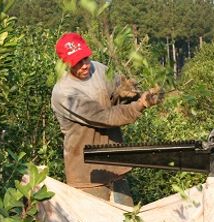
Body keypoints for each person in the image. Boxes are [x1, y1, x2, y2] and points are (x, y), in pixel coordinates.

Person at [50, 32, 160, 206]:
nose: (85, 65)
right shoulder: (65, 93)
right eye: (78, 62)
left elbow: (117, 97)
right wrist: (140, 105)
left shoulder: (99, 69)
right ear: (66, 63)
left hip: (115, 167)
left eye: (85, 58)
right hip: (87, 175)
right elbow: (104, 116)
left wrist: (128, 94)